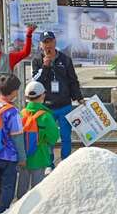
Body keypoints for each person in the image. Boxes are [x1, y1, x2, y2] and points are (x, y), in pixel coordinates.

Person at [31, 31, 84, 165]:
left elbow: (73, 80)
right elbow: (36, 82)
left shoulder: (65, 59)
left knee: (66, 136)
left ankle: (65, 163)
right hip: (46, 107)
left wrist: (79, 97)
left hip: (65, 105)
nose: (48, 45)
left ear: (55, 42)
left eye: (50, 41)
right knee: (48, 137)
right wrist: (45, 66)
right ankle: (49, 164)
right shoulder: (37, 60)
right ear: (41, 45)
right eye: (45, 42)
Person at [0, 74, 26, 214]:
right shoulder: (13, 112)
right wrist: (22, 157)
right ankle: (2, 211)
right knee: (7, 186)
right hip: (8, 156)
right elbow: (17, 137)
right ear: (13, 92)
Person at [17, 80, 59, 198]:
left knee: (22, 186)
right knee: (37, 188)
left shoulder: (21, 113)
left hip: (23, 156)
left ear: (26, 97)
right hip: (39, 155)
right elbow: (53, 138)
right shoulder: (46, 116)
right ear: (43, 95)